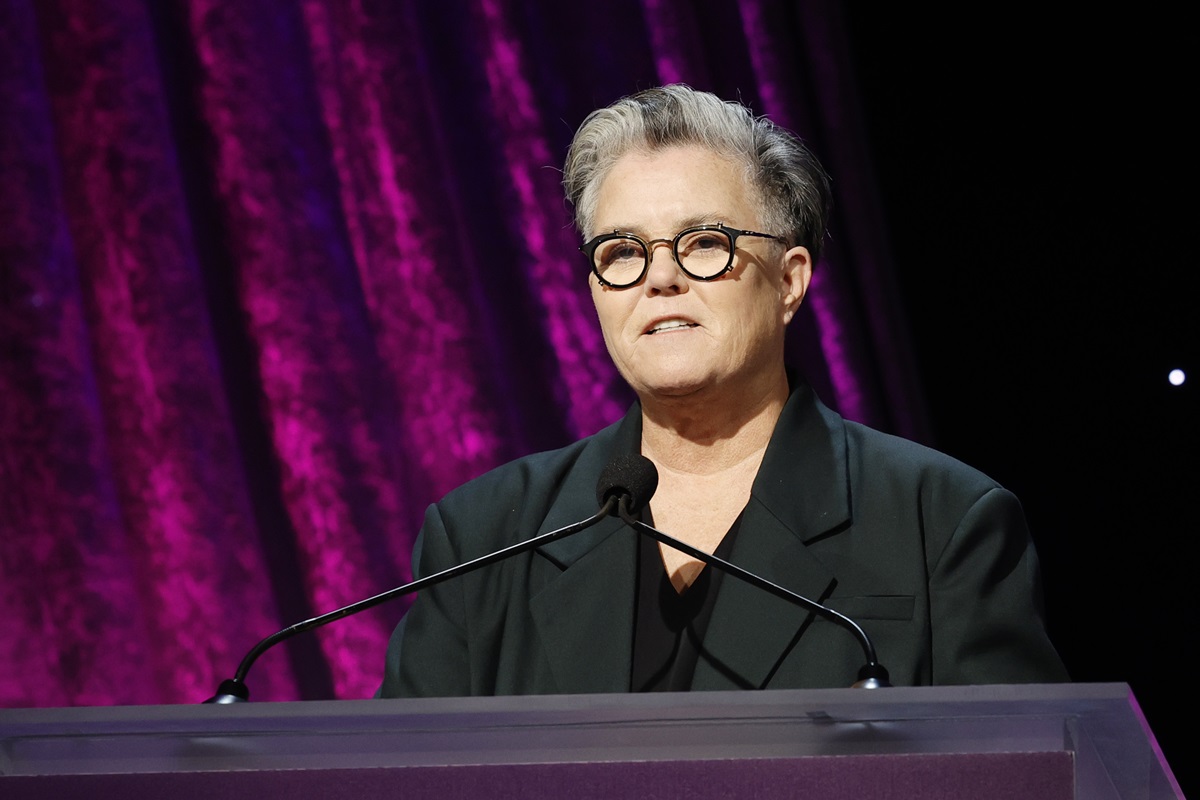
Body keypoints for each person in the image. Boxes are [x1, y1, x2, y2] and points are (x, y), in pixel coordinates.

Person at [378, 84, 1067, 697]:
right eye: (621, 253)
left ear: (790, 279)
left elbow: (1021, 767)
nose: (659, 278)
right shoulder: (484, 538)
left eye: (703, 242)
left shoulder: (941, 522)